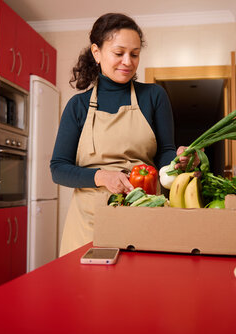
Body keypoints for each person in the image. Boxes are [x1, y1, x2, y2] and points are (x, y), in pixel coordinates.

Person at [50, 13, 192, 256]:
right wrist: (102, 177)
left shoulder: (154, 96)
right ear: (96, 52)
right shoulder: (78, 106)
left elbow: (165, 152)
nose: (128, 61)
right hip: (89, 224)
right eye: (119, 53)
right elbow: (58, 168)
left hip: (143, 214)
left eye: (134, 54)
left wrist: (177, 162)